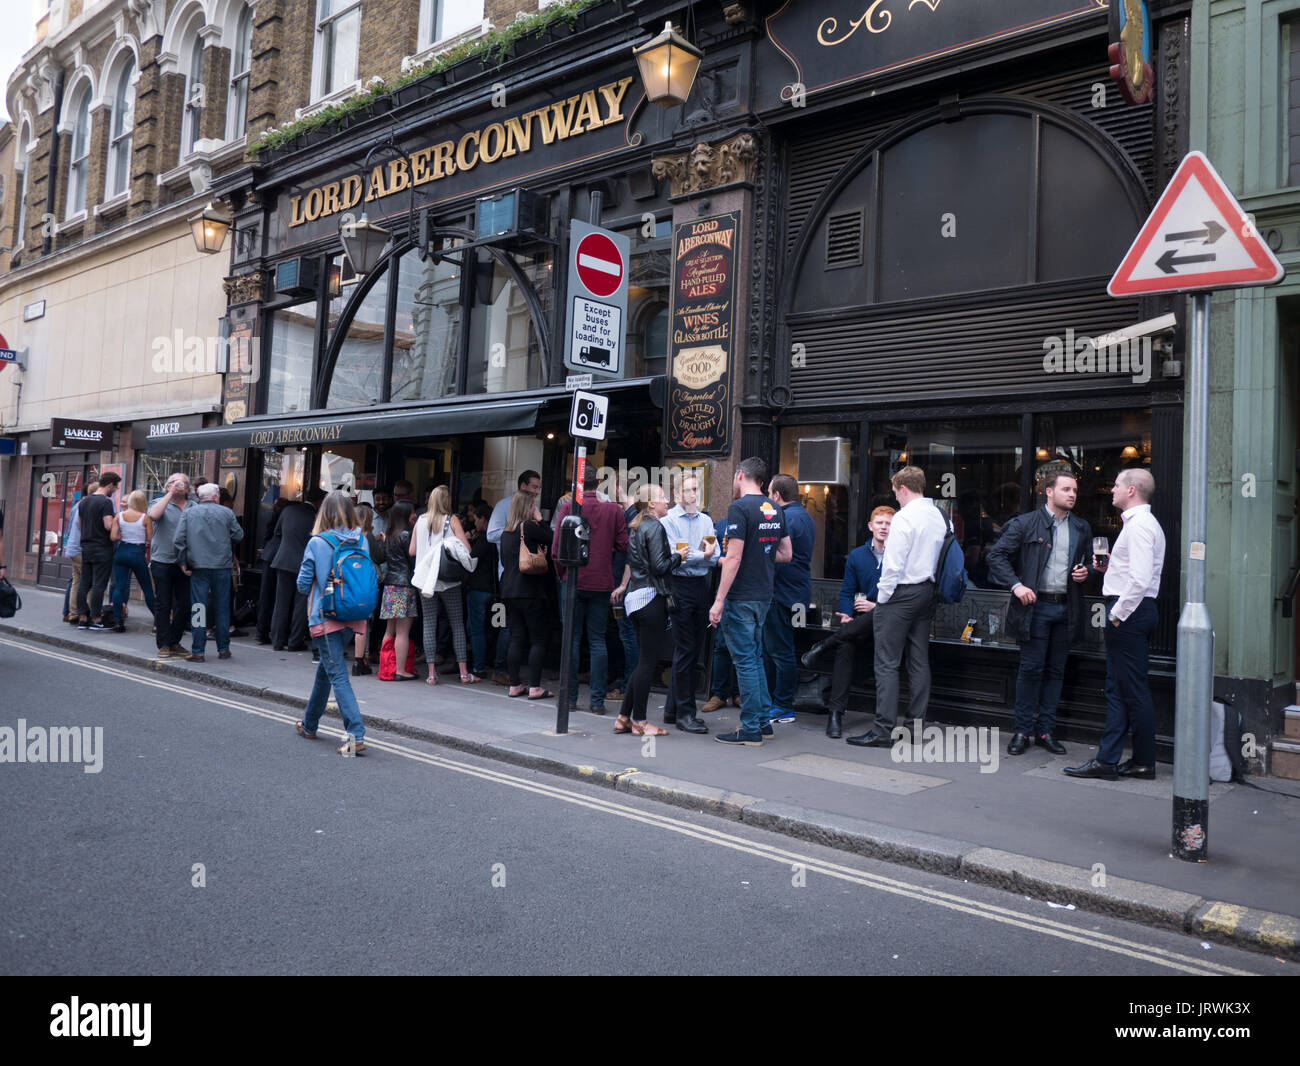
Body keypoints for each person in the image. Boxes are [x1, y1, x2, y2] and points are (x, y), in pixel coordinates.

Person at [1065, 468, 1165, 780]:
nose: (1112, 490)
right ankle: (1114, 760)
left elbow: (1139, 579)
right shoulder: (1143, 525)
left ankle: (1138, 762)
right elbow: (1134, 572)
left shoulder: (1138, 527)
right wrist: (1109, 567)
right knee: (1122, 689)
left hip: (1130, 612)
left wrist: (1117, 613)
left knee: (1130, 691)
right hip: (1137, 610)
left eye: (1117, 485)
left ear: (1132, 490)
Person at [986, 471, 1094, 756]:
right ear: (1049, 491)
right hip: (1035, 607)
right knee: (1031, 670)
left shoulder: (1081, 527)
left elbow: (1091, 565)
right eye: (1066, 489)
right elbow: (995, 557)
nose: (1072, 494)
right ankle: (1021, 731)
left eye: (1075, 490)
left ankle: (1045, 731)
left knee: (1056, 671)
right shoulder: (1025, 523)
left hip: (1066, 607)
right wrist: (1016, 585)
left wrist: (1087, 572)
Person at [848, 466, 947, 748]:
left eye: (895, 492)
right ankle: (916, 727)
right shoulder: (939, 516)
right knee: (918, 661)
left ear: (902, 488)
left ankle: (883, 730)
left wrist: (882, 598)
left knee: (887, 663)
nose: (895, 497)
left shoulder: (904, 518)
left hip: (901, 593)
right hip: (927, 591)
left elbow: (892, 566)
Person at [708, 457, 793, 746]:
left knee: (745, 661)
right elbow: (785, 554)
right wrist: (762, 556)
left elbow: (733, 557)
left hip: (741, 596)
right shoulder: (775, 509)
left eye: (734, 477)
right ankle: (762, 723)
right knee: (755, 658)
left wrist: (718, 600)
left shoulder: (739, 508)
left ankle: (750, 729)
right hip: (763, 595)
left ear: (741, 475)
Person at [802, 505, 893, 738]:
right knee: (846, 646)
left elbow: (903, 598)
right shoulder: (857, 556)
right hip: (860, 625)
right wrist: (846, 614)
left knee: (872, 619)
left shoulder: (901, 556)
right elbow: (846, 592)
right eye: (880, 523)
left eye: (889, 523)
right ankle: (835, 714)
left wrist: (877, 607)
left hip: (890, 624)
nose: (884, 527)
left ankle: (824, 645)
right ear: (871, 526)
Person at [294, 490, 371, 756]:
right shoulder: (361, 540)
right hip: (353, 614)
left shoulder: (317, 542)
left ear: (322, 513)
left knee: (337, 674)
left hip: (325, 616)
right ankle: (309, 724)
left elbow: (303, 585)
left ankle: (355, 735)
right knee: (327, 671)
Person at [552, 465, 628, 715]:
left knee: (571, 640)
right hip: (601, 582)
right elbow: (623, 544)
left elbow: (556, 551)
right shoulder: (613, 510)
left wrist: (563, 576)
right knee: (597, 640)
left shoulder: (568, 508)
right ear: (599, 484)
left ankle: (570, 699)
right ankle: (597, 701)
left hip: (574, 581)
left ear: (578, 484)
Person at [612, 484, 686, 736]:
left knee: (642, 662)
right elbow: (659, 566)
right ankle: (640, 722)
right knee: (647, 663)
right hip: (650, 598)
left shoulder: (637, 526)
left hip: (635, 598)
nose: (667, 500)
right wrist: (680, 556)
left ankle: (623, 717)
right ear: (651, 504)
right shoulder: (654, 527)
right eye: (663, 497)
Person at [659, 471, 717, 732]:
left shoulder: (706, 520)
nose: (693, 494)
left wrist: (697, 554)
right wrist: (701, 554)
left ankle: (672, 710)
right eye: (688, 490)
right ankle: (685, 714)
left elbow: (714, 557)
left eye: (696, 489)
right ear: (676, 494)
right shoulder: (668, 521)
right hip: (679, 586)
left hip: (700, 587)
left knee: (693, 651)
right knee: (685, 650)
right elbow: (675, 555)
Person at [411, 485, 478, 685]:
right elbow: (466, 548)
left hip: (425, 580)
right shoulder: (452, 520)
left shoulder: (420, 521)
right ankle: (464, 672)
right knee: (457, 623)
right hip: (448, 580)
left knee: (429, 623)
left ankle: (431, 674)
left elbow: (412, 551)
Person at [173, 482, 244, 663]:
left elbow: (178, 540)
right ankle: (224, 649)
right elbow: (238, 535)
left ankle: (198, 651)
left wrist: (183, 562)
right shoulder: (227, 513)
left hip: (199, 567)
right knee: (222, 608)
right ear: (215, 496)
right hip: (222, 566)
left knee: (198, 608)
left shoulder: (189, 512)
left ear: (199, 496)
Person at [765, 474, 815, 723]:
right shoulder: (805, 516)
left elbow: (772, 552)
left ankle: (782, 705)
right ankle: (779, 702)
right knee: (786, 649)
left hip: (782, 594)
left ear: (776, 496)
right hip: (799, 593)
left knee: (779, 651)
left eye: (769, 494)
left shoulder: (784, 518)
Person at [487, 470, 542, 685]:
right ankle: (500, 669)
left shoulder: (533, 508)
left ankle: (513, 674)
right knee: (508, 626)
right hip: (508, 575)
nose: (537, 491)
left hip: (528, 575)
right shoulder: (504, 506)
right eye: (534, 487)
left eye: (539, 487)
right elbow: (491, 534)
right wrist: (516, 534)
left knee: (518, 630)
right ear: (523, 486)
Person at [498, 490, 552, 699]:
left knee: (516, 637)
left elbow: (504, 561)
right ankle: (535, 687)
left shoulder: (505, 533)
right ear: (527, 508)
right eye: (533, 506)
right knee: (538, 639)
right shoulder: (528, 527)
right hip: (529, 591)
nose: (535, 509)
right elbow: (552, 538)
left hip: (509, 591)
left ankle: (514, 684)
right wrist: (541, 521)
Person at [268, 488, 322, 651]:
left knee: (281, 603)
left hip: (283, 561)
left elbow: (277, 533)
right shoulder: (316, 517)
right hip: (304, 564)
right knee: (301, 604)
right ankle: (295, 641)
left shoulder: (288, 510)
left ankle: (277, 641)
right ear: (319, 502)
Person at [147, 473, 193, 656]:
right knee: (163, 604)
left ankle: (174, 641)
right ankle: (163, 644)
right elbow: (153, 515)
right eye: (174, 483)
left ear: (188, 488)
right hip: (162, 561)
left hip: (185, 563)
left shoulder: (193, 506)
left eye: (183, 483)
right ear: (167, 486)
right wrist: (170, 494)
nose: (180, 486)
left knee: (184, 604)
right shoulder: (159, 503)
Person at [699, 510, 739, 712]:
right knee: (721, 644)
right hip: (724, 590)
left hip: (749, 591)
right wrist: (723, 560)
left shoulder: (759, 523)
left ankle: (740, 694)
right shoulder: (722, 524)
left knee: (747, 647)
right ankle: (719, 694)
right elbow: (709, 553)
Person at [378, 500, 419, 680]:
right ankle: (400, 670)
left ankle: (386, 667)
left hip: (390, 586)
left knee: (389, 630)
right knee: (403, 632)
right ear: (404, 515)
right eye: (412, 512)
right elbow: (412, 561)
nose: (415, 515)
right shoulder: (405, 535)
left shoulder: (389, 535)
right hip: (404, 586)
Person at [75, 471, 121, 630]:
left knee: (84, 583)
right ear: (110, 485)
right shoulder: (106, 502)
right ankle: (95, 618)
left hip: (86, 547)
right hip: (102, 547)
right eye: (115, 487)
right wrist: (118, 529)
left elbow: (80, 525)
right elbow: (108, 525)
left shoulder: (84, 501)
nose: (115, 490)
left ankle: (82, 618)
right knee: (99, 584)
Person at [109, 490, 156, 632]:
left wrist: (123, 535)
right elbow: (149, 538)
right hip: (137, 553)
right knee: (147, 588)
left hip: (122, 552)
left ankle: (118, 620)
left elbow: (113, 537)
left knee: (119, 587)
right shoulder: (145, 517)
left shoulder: (119, 516)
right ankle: (159, 618)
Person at [351, 502, 385, 675]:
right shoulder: (368, 536)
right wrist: (383, 542)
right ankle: (361, 660)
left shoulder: (347, 535)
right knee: (365, 622)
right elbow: (379, 557)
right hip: (365, 581)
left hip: (349, 580)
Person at [464, 502, 497, 680]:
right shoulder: (495, 537)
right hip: (494, 589)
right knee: (491, 627)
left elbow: (471, 558)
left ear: (483, 519)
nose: (474, 523)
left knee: (476, 629)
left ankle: (478, 667)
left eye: (476, 519)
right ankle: (491, 661)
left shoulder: (484, 538)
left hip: (478, 589)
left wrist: (468, 539)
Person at [62, 479, 98, 623]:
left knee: (77, 581)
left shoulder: (77, 505)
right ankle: (85, 613)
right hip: (80, 548)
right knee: (87, 582)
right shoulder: (85, 506)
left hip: (72, 547)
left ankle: (73, 613)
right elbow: (81, 526)